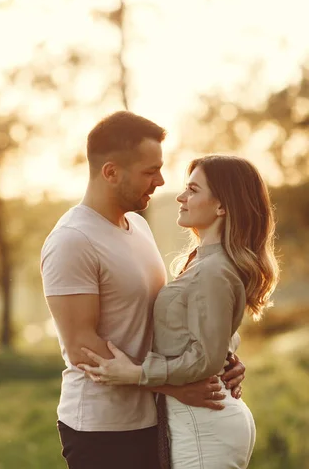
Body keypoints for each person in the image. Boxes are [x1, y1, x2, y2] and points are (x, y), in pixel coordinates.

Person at [41, 113, 246, 469]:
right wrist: (173, 386)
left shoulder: (137, 226)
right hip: (103, 428)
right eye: (149, 171)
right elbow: (82, 349)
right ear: (110, 172)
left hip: (155, 417)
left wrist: (219, 355)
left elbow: (162, 320)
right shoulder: (72, 240)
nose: (161, 180)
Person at [79, 154, 280, 469]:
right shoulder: (202, 260)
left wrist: (138, 374)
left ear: (222, 206)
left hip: (204, 424)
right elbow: (208, 331)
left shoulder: (214, 268)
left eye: (193, 190)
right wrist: (228, 353)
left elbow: (206, 357)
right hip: (201, 420)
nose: (180, 197)